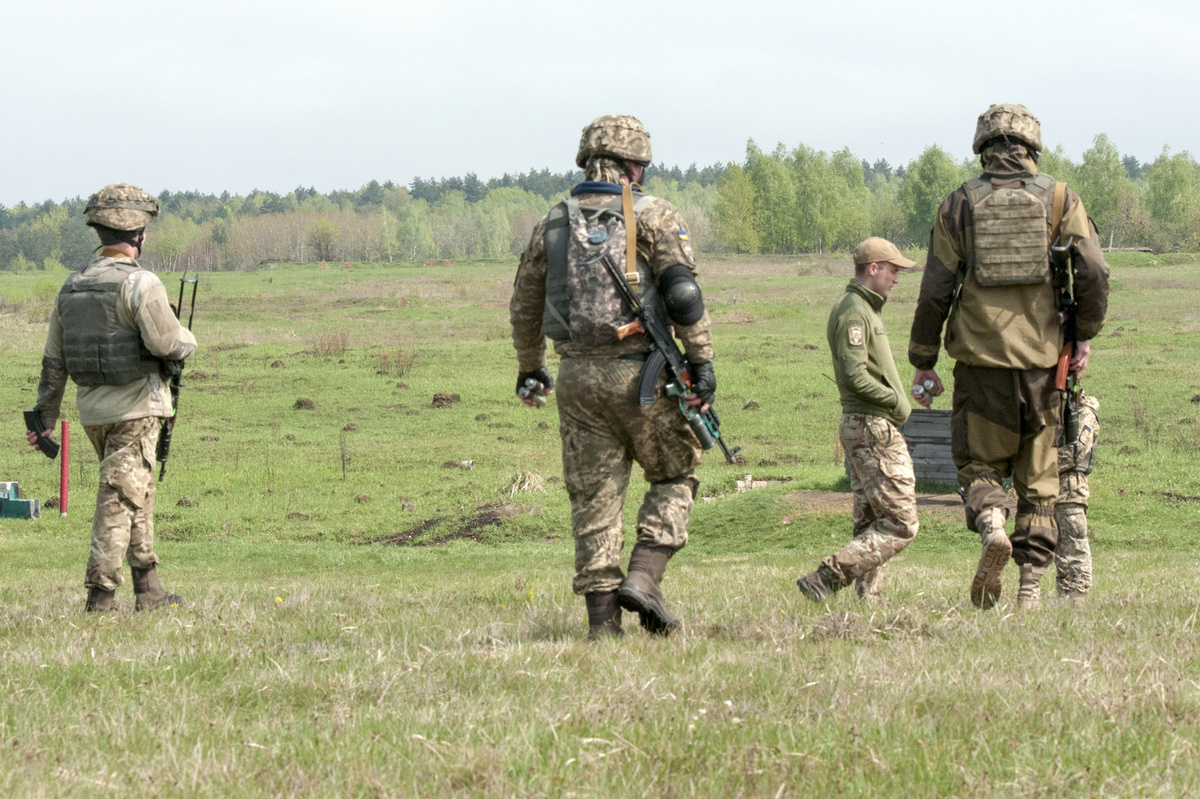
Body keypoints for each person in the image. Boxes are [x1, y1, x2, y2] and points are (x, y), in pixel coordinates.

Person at [509, 114, 716, 639]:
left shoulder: (553, 223)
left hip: (577, 379)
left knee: (594, 499)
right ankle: (644, 578)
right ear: (633, 166)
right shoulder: (656, 215)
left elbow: (524, 305)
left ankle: (603, 627)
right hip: (642, 373)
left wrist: (532, 367)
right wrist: (701, 363)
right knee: (676, 473)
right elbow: (683, 295)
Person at [908, 104, 1110, 610]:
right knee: (1040, 484)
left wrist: (923, 357)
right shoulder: (1061, 199)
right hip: (1044, 371)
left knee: (979, 466)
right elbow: (1094, 271)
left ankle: (992, 524)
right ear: (1032, 147)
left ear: (982, 147)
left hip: (980, 368)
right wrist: (1082, 334)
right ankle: (1029, 591)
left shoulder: (959, 204)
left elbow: (935, 288)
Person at [28, 183, 196, 613]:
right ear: (138, 235)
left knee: (136, 491)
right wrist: (188, 338)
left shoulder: (73, 287)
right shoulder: (141, 283)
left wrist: (45, 417)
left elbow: (54, 361)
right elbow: (166, 343)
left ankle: (150, 590)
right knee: (118, 499)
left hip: (93, 412)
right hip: (136, 407)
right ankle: (99, 598)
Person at [796, 238, 919, 602]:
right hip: (871, 426)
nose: (897, 278)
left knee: (871, 522)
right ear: (873, 268)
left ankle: (869, 602)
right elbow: (854, 376)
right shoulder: (855, 312)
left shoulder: (864, 308)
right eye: (893, 270)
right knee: (901, 524)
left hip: (865, 424)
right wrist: (896, 402)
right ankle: (826, 577)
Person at [1055, 390, 1100, 600]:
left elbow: (1077, 451)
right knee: (1061, 551)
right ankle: (1065, 598)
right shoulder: (1057, 411)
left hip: (1071, 490)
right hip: (1053, 490)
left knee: (1074, 546)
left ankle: (1078, 598)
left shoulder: (1084, 413)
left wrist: (1040, 467)